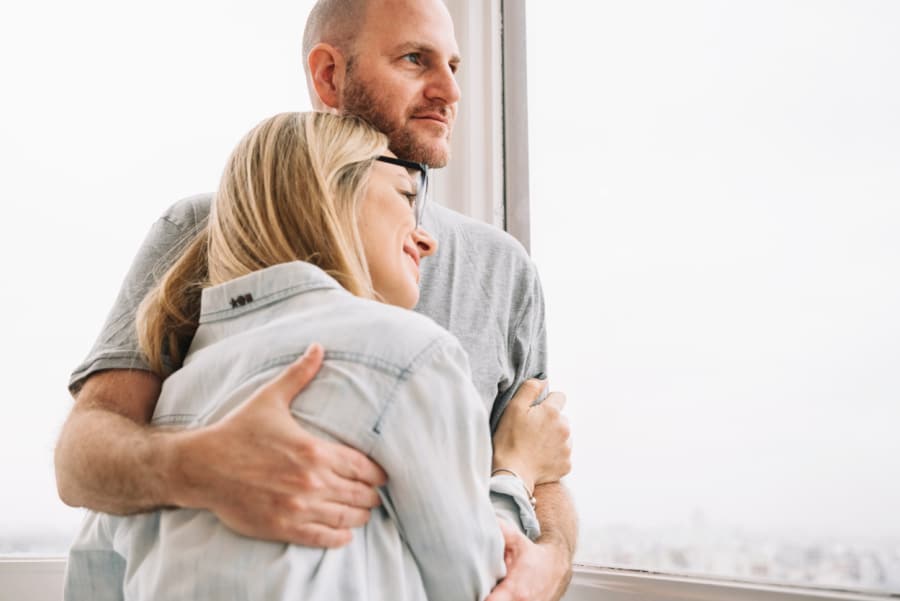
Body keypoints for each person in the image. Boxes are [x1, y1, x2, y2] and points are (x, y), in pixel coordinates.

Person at [55, 0, 577, 598]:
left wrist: (551, 559)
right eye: (415, 60)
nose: (450, 90)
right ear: (329, 74)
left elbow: (539, 465)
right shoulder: (201, 228)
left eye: (456, 66)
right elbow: (84, 458)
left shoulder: (502, 269)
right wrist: (201, 468)